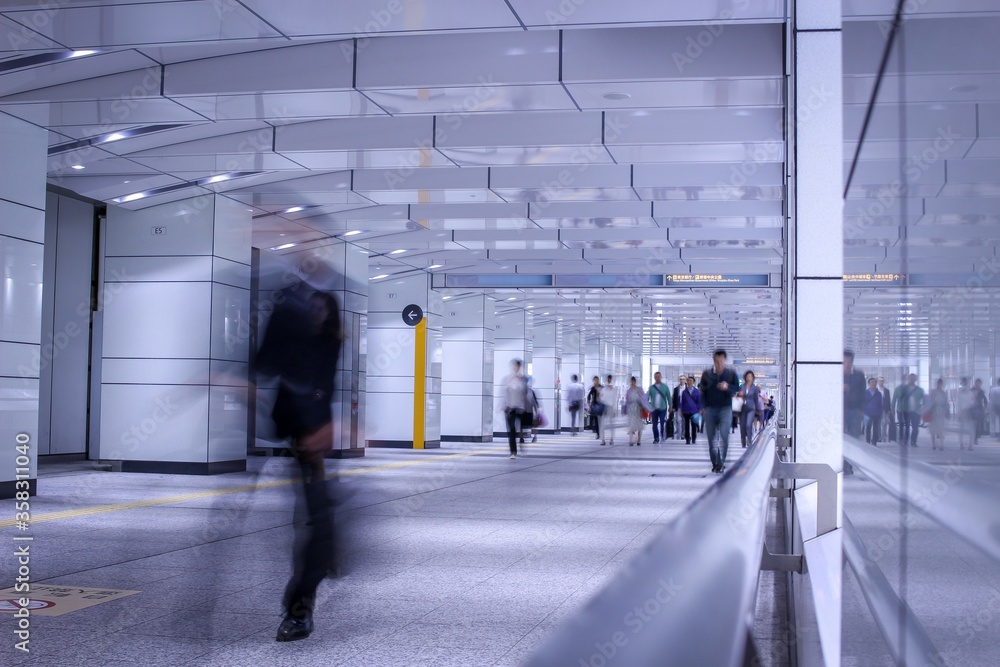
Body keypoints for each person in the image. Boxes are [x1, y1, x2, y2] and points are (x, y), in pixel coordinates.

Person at [255, 286, 343, 643]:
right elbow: (265, 366)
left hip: (314, 440)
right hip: (298, 436)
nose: (316, 312)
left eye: (322, 307)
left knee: (316, 527)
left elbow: (322, 386)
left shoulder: (328, 343)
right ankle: (300, 608)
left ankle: (299, 612)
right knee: (313, 525)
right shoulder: (291, 338)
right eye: (312, 307)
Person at [699, 349, 740, 474]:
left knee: (724, 436)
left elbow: (736, 389)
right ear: (713, 361)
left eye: (721, 361)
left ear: (725, 360)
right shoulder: (706, 374)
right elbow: (702, 391)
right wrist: (703, 406)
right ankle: (715, 463)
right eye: (717, 361)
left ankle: (721, 462)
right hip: (710, 410)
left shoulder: (731, 374)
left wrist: (727, 387)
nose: (719, 364)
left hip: (725, 409)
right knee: (711, 440)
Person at [502, 359, 530, 459]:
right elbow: (504, 393)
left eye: (518, 366)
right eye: (514, 366)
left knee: (521, 429)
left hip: (521, 408)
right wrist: (503, 404)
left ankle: (522, 443)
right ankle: (513, 452)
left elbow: (526, 393)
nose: (516, 368)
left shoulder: (524, 379)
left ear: (520, 367)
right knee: (511, 430)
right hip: (510, 408)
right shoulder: (507, 379)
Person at [842, 350, 866, 441]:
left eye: (849, 362)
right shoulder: (836, 375)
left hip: (855, 411)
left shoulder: (859, 375)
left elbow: (863, 393)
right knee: (841, 436)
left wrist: (862, 410)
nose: (847, 364)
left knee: (854, 436)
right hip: (841, 411)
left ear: (852, 362)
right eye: (845, 362)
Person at [897, 373, 925, 448]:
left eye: (913, 378)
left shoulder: (920, 390)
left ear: (915, 379)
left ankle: (913, 441)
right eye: (910, 378)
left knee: (915, 427)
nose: (912, 379)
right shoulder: (904, 389)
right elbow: (899, 399)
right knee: (906, 426)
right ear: (908, 379)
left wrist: (923, 410)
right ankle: (905, 440)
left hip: (916, 411)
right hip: (906, 411)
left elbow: (924, 400)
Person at [738, 370, 761, 448]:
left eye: (750, 376)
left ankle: (749, 440)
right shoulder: (741, 386)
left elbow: (756, 399)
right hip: (742, 408)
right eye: (748, 376)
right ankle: (743, 439)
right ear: (745, 377)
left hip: (751, 408)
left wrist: (757, 409)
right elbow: (738, 396)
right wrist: (740, 395)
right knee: (742, 426)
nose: (749, 378)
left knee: (748, 424)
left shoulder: (755, 388)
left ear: (753, 378)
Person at [647, 371, 670, 444]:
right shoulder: (651, 387)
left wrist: (671, 406)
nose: (657, 378)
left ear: (661, 377)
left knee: (662, 422)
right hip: (654, 409)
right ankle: (656, 438)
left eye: (659, 377)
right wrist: (647, 406)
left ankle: (662, 435)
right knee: (654, 424)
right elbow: (647, 397)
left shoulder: (665, 387)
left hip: (663, 408)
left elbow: (669, 397)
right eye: (656, 377)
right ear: (654, 377)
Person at [927, 378, 950, 450]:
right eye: (938, 383)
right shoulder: (932, 392)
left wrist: (946, 411)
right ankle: (933, 444)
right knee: (933, 429)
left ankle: (941, 444)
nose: (939, 385)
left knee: (941, 429)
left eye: (940, 384)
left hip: (941, 413)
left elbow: (946, 403)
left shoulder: (943, 393)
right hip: (933, 412)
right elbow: (929, 402)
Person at [625, 376, 647, 446]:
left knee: (639, 425)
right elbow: (627, 400)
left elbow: (644, 398)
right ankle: (631, 440)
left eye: (633, 381)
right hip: (631, 409)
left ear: (635, 382)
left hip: (638, 409)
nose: (632, 383)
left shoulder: (639, 390)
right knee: (631, 425)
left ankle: (639, 440)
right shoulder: (629, 391)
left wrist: (643, 406)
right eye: (631, 382)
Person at [680, 375, 701, 445]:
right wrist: (681, 410)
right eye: (688, 380)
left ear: (693, 382)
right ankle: (687, 439)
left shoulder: (697, 392)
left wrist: (700, 410)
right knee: (686, 425)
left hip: (694, 411)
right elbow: (682, 402)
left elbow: (699, 402)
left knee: (693, 425)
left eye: (690, 381)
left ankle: (694, 438)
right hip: (686, 410)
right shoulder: (684, 392)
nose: (689, 382)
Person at [599, 374, 618, 445]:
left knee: (611, 424)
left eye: (610, 379)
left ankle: (611, 438)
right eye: (608, 379)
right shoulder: (603, 389)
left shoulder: (614, 390)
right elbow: (601, 398)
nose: (609, 381)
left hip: (610, 407)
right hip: (604, 407)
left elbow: (615, 399)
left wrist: (614, 409)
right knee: (602, 424)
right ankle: (603, 439)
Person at [956, 377, 974, 450]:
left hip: (969, 411)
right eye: (962, 383)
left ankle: (970, 445)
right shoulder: (959, 393)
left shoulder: (970, 393)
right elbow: (958, 404)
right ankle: (961, 443)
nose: (963, 385)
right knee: (961, 429)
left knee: (971, 429)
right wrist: (959, 413)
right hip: (962, 412)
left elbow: (972, 402)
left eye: (964, 383)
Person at [864, 377, 883, 446]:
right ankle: (868, 441)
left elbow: (881, 404)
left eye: (875, 382)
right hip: (868, 413)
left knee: (876, 428)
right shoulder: (865, 393)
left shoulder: (879, 394)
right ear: (869, 384)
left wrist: (881, 412)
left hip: (876, 413)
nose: (874, 384)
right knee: (868, 428)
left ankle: (874, 441)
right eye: (872, 382)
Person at [971, 378, 987, 447]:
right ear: (975, 383)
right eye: (977, 383)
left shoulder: (981, 391)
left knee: (978, 424)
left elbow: (985, 399)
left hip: (979, 408)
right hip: (972, 408)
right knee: (973, 424)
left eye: (979, 384)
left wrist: (985, 407)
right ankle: (973, 437)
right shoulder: (971, 390)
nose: (978, 385)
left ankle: (976, 438)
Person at [671, 374, 686, 440]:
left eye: (683, 379)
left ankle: (683, 434)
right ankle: (679, 434)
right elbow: (674, 398)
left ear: (685, 380)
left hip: (685, 407)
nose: (681, 380)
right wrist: (673, 407)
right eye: (680, 379)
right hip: (678, 407)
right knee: (678, 421)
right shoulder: (676, 389)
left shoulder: (687, 388)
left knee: (684, 421)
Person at [877, 376, 892, 442]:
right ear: (878, 381)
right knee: (877, 424)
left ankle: (883, 437)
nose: (881, 382)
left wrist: (889, 410)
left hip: (884, 410)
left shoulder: (886, 391)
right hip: (877, 409)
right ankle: (879, 437)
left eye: (882, 381)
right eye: (880, 381)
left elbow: (888, 401)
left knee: (884, 424)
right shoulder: (876, 390)